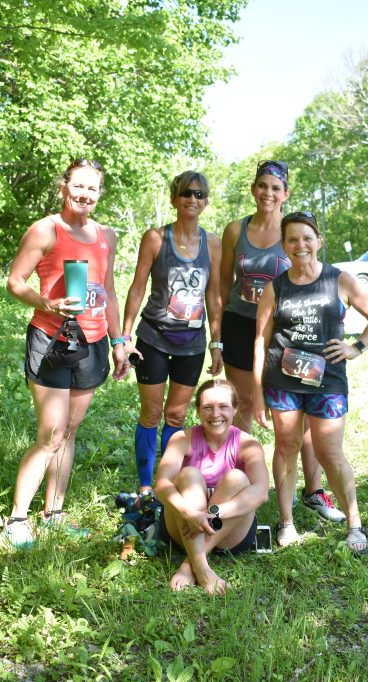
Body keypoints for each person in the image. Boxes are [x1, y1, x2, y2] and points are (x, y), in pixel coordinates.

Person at [3, 158, 131, 548]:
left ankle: (54, 515)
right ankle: (17, 519)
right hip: (52, 338)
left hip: (91, 342)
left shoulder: (106, 235)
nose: (84, 194)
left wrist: (118, 343)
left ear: (99, 194)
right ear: (64, 188)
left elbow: (108, 291)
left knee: (70, 432)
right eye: (78, 186)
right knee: (51, 433)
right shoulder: (46, 229)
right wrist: (46, 302)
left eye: (92, 188)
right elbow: (14, 281)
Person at [253, 211, 368, 553]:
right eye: (292, 239)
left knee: (330, 453)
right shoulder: (275, 288)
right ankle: (286, 522)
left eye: (307, 238)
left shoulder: (339, 280)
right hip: (282, 381)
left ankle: (354, 524)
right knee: (286, 446)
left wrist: (356, 347)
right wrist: (256, 393)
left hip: (327, 382)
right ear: (284, 246)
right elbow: (260, 341)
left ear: (318, 241)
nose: (300, 245)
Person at [219, 160, 345, 523]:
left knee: (303, 414)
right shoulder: (235, 230)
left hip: (290, 330)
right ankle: (239, 483)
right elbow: (222, 284)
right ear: (253, 189)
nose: (268, 193)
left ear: (285, 193)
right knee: (244, 405)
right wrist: (217, 335)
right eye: (262, 185)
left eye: (276, 188)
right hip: (241, 326)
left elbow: (314, 279)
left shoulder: (294, 233)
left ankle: (314, 491)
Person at [122, 171, 223, 494]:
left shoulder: (213, 244)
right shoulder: (156, 238)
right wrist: (124, 337)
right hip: (153, 337)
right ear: (174, 199)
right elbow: (137, 287)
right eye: (186, 193)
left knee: (176, 416)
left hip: (191, 342)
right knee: (151, 413)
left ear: (206, 202)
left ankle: (166, 483)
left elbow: (214, 295)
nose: (192, 199)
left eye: (199, 194)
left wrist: (216, 343)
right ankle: (144, 487)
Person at [154, 379, 269, 594]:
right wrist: (190, 514)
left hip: (230, 535)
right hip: (183, 528)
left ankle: (190, 565)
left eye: (223, 406)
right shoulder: (181, 438)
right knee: (188, 474)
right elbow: (161, 485)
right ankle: (203, 570)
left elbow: (261, 492)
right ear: (198, 410)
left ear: (235, 409)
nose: (215, 414)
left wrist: (213, 513)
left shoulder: (248, 444)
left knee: (237, 478)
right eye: (207, 407)